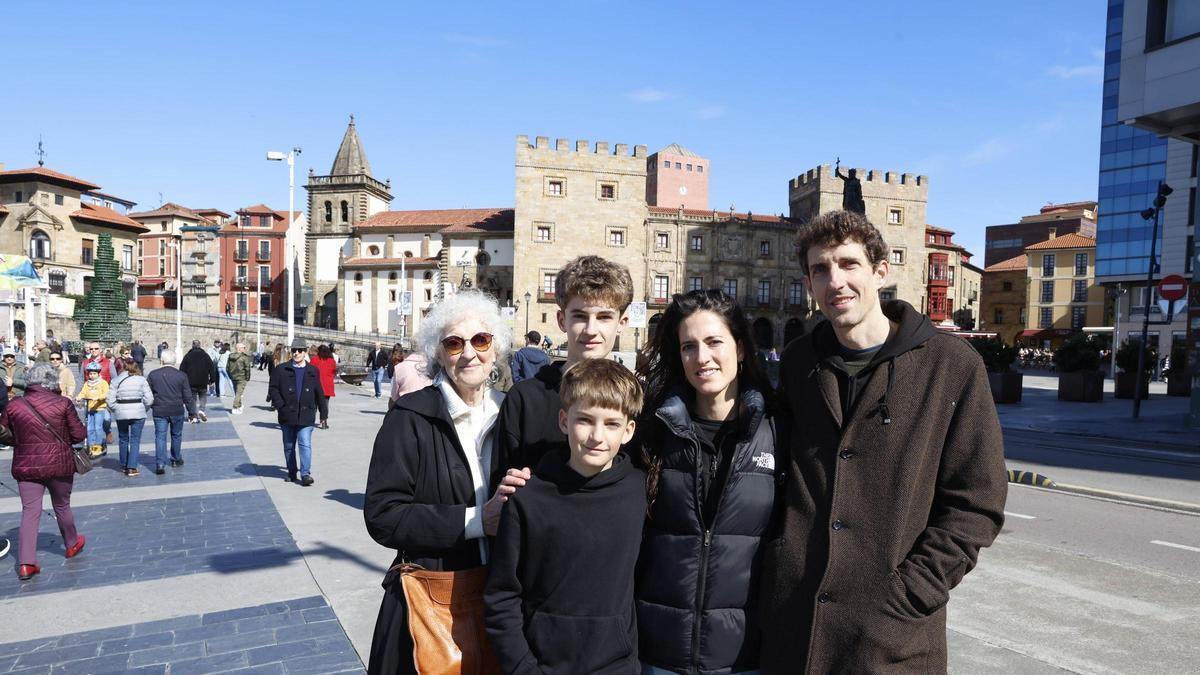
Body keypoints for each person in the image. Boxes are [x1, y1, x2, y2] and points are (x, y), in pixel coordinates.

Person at [761, 210, 1006, 673]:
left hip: (892, 636)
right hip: (798, 623)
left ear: (880, 271)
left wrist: (911, 594)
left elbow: (978, 503)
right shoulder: (799, 362)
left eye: (849, 264)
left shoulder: (950, 366)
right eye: (820, 269)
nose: (836, 281)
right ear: (809, 283)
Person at [364, 290, 520, 674]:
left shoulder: (515, 414)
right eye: (454, 343)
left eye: (481, 340)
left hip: (506, 603)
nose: (469, 353)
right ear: (438, 353)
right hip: (438, 601)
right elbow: (383, 515)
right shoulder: (410, 418)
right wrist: (475, 521)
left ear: (496, 348)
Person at [635, 289, 781, 674]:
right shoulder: (654, 431)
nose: (701, 358)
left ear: (742, 348)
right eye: (688, 347)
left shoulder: (778, 432)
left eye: (714, 342)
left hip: (743, 657)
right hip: (658, 655)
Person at [485, 359, 645, 674]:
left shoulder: (640, 493)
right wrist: (523, 668)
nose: (597, 436)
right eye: (584, 420)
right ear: (563, 421)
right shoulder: (528, 498)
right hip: (541, 665)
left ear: (628, 431)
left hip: (616, 666)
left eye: (611, 424)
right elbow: (502, 595)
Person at [494, 255, 633, 489]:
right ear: (561, 320)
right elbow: (500, 485)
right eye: (580, 316)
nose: (591, 330)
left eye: (604, 317)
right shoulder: (524, 399)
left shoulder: (636, 398)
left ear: (622, 323)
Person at [3, 363, 88, 580]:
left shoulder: (15, 405)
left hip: (27, 465)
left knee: (30, 511)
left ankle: (26, 562)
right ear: (52, 380)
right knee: (61, 505)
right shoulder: (62, 404)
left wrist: (20, 441)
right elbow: (78, 435)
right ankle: (71, 543)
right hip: (59, 464)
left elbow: (3, 431)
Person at [267, 339, 328, 485]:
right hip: (287, 414)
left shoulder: (313, 370)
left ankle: (305, 474)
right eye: (294, 350)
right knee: (289, 445)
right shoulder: (281, 369)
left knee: (305, 444)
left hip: (307, 415)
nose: (296, 353)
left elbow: (319, 392)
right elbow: (273, 388)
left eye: (300, 350)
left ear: (305, 352)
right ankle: (292, 471)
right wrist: (280, 405)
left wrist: (323, 414)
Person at [146, 349, 198, 474]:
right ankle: (175, 459)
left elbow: (148, 394)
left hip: (159, 410)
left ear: (162, 360)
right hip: (176, 409)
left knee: (160, 436)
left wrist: (149, 406)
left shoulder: (153, 374)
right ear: (174, 361)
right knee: (176, 435)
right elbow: (187, 396)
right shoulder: (181, 375)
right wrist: (192, 412)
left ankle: (160, 463)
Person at [107, 358, 154, 477]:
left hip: (121, 412)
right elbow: (149, 399)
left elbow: (110, 401)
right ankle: (132, 467)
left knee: (123, 438)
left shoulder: (115, 381)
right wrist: (144, 408)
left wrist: (116, 409)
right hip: (138, 412)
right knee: (135, 440)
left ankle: (123, 464)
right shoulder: (142, 380)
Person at [76, 362, 110, 457]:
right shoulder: (87, 383)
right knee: (90, 428)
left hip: (99, 408)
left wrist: (98, 397)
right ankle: (91, 446)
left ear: (98, 374)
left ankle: (97, 446)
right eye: (90, 373)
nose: (92, 375)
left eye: (94, 373)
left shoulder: (103, 383)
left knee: (98, 428)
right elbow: (83, 392)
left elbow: (106, 394)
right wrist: (79, 397)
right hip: (90, 408)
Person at [178, 340, 212, 422]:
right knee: (203, 395)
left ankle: (193, 415)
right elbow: (211, 367)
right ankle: (201, 410)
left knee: (192, 398)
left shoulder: (187, 356)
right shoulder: (205, 355)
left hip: (191, 381)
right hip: (203, 380)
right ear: (200, 345)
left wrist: (182, 381)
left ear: (192, 346)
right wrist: (212, 379)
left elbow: (182, 369)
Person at [310, 344, 337, 429]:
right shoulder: (332, 361)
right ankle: (324, 422)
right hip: (327, 386)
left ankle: (310, 421)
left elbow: (310, 371)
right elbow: (334, 372)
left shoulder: (314, 359)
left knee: (314, 404)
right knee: (324, 405)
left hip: (315, 384)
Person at [227, 342, 252, 414]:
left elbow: (227, 368)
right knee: (239, 393)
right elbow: (247, 368)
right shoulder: (244, 357)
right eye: (243, 347)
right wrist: (247, 377)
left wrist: (230, 376)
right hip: (242, 377)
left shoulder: (230, 356)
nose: (244, 348)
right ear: (239, 348)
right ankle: (235, 407)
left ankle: (240, 405)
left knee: (237, 392)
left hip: (233, 377)